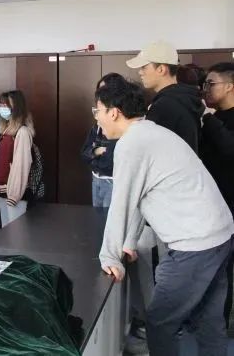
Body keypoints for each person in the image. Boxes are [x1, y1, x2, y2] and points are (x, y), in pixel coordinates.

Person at [96, 79, 234, 356]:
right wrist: (129, 242)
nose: (97, 118)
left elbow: (122, 203)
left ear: (114, 112)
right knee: (209, 322)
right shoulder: (152, 132)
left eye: (97, 110)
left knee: (160, 321)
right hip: (220, 235)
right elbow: (140, 198)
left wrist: (109, 256)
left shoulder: (132, 144)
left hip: (195, 245)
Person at [200, 62, 234, 328]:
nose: (206, 89)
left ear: (230, 86)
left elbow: (229, 148)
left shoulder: (215, 119)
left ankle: (222, 321)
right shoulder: (213, 117)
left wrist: (208, 119)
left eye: (211, 84)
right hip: (213, 203)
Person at [126, 41, 203, 153]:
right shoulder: (184, 98)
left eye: (144, 67)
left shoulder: (165, 105)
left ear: (161, 69)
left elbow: (152, 150)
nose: (140, 72)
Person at [80, 73, 124, 208]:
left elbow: (110, 164)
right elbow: (84, 154)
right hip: (97, 179)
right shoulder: (97, 126)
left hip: (113, 182)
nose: (101, 95)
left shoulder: (124, 127)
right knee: (97, 218)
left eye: (105, 90)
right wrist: (98, 150)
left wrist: (95, 155)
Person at [0, 90, 34, 227]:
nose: (2, 108)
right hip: (3, 191)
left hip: (15, 195)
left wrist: (14, 195)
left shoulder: (22, 132)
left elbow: (21, 166)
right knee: (7, 232)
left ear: (16, 107)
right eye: (1, 105)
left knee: (17, 233)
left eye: (6, 105)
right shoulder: (6, 131)